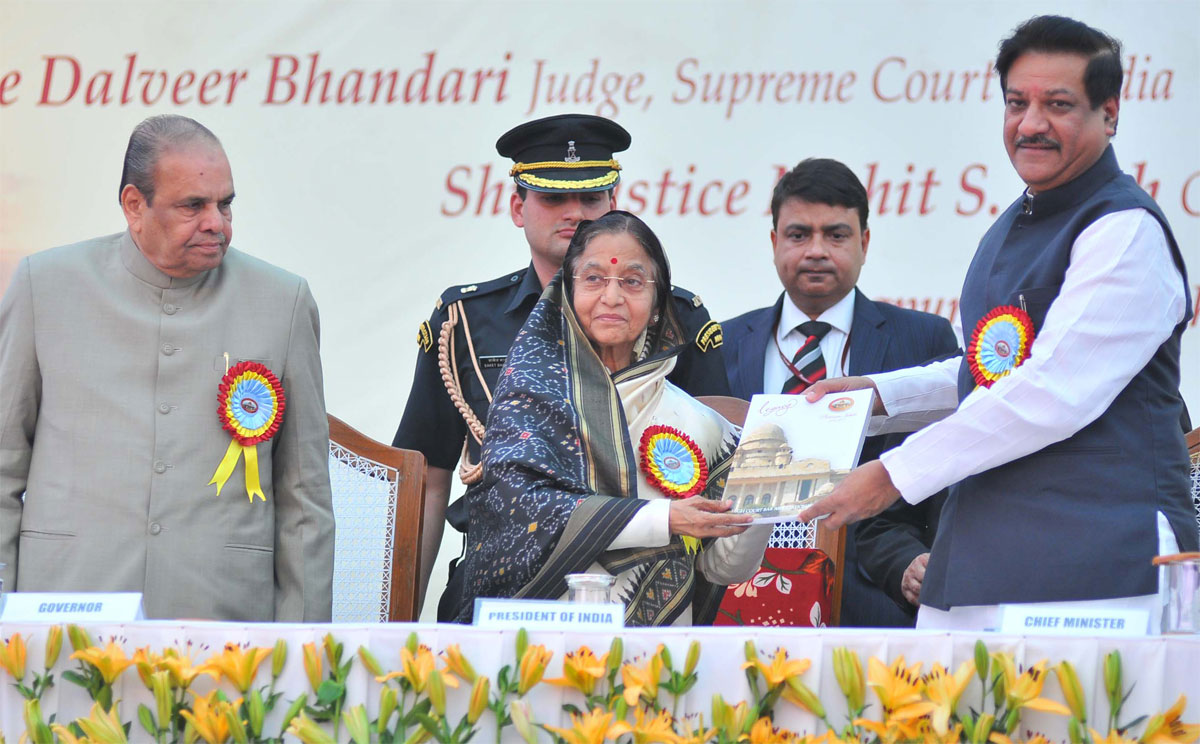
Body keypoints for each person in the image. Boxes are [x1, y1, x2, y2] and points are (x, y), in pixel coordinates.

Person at [800, 15, 1195, 630]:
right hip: (984, 553)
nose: (1031, 123)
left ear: (1109, 114)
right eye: (1017, 103)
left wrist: (893, 474)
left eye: (1058, 104)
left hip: (1100, 563)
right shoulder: (1017, 219)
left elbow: (1050, 390)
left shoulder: (1125, 231)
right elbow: (994, 372)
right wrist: (883, 396)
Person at [393, 114, 731, 620]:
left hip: (645, 592)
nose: (575, 212)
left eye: (591, 199)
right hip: (502, 585)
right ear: (517, 207)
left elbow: (714, 476)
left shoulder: (674, 319)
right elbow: (428, 479)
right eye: (553, 198)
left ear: (613, 204)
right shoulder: (465, 320)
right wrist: (397, 625)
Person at [0, 115, 334, 621]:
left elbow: (304, 495)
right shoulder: (44, 286)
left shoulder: (282, 300)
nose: (216, 223)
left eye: (225, 204)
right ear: (135, 205)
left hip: (222, 618)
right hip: (64, 610)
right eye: (193, 205)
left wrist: (301, 647)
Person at [451, 211, 769, 625]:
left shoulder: (702, 424)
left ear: (657, 304)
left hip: (659, 661)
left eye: (633, 281)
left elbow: (726, 570)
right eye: (594, 278)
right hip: (537, 649)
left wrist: (767, 496)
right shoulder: (530, 399)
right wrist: (666, 519)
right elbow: (523, 514)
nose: (613, 297)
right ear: (567, 293)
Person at [718, 158, 958, 627]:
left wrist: (910, 565)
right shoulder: (721, 345)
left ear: (865, 243)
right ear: (773, 243)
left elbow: (933, 490)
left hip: (875, 604)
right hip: (734, 605)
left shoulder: (923, 342)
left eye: (837, 234)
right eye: (798, 234)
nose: (816, 251)